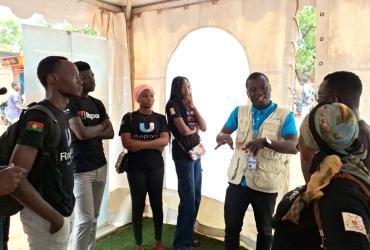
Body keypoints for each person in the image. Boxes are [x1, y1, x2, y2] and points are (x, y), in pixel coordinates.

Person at [215, 72, 298, 250]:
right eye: (253, 89)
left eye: (263, 87)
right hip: (238, 182)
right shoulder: (239, 111)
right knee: (231, 230)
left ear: (270, 88)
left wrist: (266, 142)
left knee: (265, 232)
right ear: (247, 92)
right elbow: (221, 133)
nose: (259, 92)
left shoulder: (284, 115)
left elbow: (293, 146)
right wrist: (224, 137)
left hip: (265, 185)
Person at [7, 56, 82, 250]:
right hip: (45, 217)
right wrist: (54, 218)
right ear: (53, 79)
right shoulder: (39, 116)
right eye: (74, 75)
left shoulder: (61, 113)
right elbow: (15, 178)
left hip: (62, 209)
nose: (80, 80)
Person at [272, 102, 370, 250]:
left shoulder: (342, 196)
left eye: (302, 139)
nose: (298, 146)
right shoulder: (347, 177)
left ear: (315, 149)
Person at [65, 61, 114, 250]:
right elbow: (80, 134)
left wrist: (93, 129)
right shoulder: (71, 102)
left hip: (100, 164)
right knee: (84, 219)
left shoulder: (97, 103)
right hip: (80, 169)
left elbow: (111, 132)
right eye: (85, 77)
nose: (90, 80)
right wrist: (101, 126)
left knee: (93, 217)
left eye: (92, 75)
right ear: (77, 79)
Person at [120, 84, 169, 250]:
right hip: (135, 168)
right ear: (138, 98)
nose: (149, 99)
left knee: (157, 203)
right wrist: (153, 144)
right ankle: (138, 244)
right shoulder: (129, 118)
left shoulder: (161, 118)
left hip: (156, 167)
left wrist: (138, 144)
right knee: (138, 204)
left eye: (152, 96)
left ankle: (158, 242)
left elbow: (165, 141)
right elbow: (127, 143)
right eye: (145, 96)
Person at [165, 76, 207, 250]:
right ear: (176, 88)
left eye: (189, 86)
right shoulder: (172, 105)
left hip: (195, 153)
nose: (188, 90)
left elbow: (203, 126)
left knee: (196, 196)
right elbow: (183, 130)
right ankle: (181, 244)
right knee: (188, 199)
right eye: (184, 87)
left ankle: (187, 237)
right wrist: (194, 129)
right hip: (183, 155)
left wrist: (193, 107)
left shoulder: (189, 105)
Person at [312, 71, 370, 178]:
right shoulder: (365, 131)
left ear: (334, 100)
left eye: (319, 95)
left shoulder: (341, 138)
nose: (317, 101)